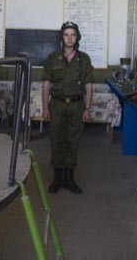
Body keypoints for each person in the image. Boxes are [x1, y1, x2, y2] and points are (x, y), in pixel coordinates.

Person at [41, 21, 94, 194]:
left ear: (77, 37)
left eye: (73, 35)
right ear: (61, 37)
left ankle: (69, 179)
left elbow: (88, 86)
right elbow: (46, 85)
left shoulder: (84, 59)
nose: (69, 38)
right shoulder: (52, 58)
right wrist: (45, 108)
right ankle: (57, 179)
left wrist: (87, 108)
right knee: (56, 141)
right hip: (56, 105)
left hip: (77, 106)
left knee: (73, 141)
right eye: (66, 35)